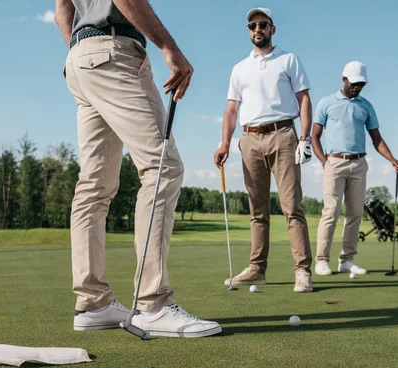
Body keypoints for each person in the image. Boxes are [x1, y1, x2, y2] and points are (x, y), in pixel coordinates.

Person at [55, 0, 221, 337]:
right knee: (164, 167)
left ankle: (93, 303)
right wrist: (168, 47)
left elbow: (62, 10)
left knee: (94, 187)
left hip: (80, 59)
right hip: (113, 49)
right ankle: (153, 304)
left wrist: (81, 49)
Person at [214, 7, 315, 293]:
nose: (257, 29)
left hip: (283, 134)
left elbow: (304, 99)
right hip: (249, 139)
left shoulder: (289, 59)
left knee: (291, 207)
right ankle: (257, 269)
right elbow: (232, 109)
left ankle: (303, 270)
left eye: (262, 24)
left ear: (272, 29)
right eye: (252, 26)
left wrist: (305, 138)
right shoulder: (239, 68)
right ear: (249, 32)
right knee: (257, 211)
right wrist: (225, 143)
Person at [311, 61, 398, 276]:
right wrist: (324, 162)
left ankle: (346, 260)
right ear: (344, 79)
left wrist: (392, 160)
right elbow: (314, 136)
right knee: (331, 212)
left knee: (355, 214)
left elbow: (376, 139)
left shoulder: (366, 106)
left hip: (359, 163)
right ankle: (321, 260)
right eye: (354, 83)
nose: (357, 88)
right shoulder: (327, 103)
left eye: (361, 84)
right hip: (334, 162)